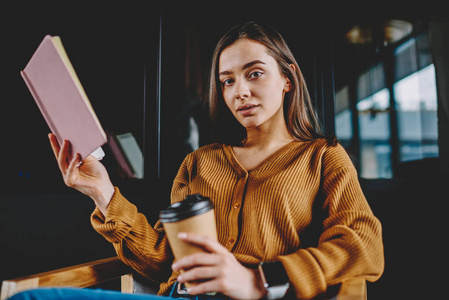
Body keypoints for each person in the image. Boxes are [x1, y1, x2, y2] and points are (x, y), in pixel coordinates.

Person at [10, 21, 384, 300]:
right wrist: (103, 194)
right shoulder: (199, 164)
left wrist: (259, 280)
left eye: (254, 73)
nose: (240, 92)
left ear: (287, 79)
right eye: (227, 81)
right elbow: (164, 260)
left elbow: (363, 243)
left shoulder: (323, 158)